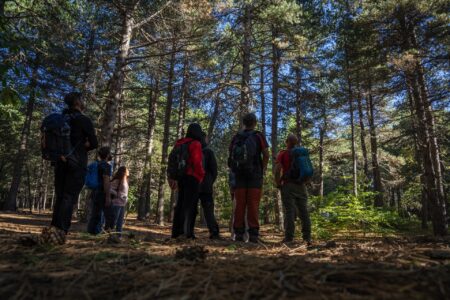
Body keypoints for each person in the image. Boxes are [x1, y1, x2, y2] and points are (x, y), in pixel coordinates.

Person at [45, 92, 98, 244]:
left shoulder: (61, 119)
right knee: (69, 197)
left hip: (59, 162)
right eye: (82, 99)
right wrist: (81, 147)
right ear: (77, 102)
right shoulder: (83, 120)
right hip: (76, 163)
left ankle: (53, 230)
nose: (83, 101)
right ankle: (61, 232)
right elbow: (94, 143)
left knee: (60, 196)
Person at [228, 113, 269, 243]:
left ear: (244, 123)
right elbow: (266, 154)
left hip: (239, 175)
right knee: (253, 205)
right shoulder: (258, 136)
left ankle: (238, 234)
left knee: (239, 205)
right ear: (255, 123)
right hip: (255, 175)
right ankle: (253, 235)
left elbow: (231, 156)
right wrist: (263, 168)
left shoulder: (236, 137)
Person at [168, 123, 205, 239]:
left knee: (180, 205)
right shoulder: (196, 144)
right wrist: (201, 176)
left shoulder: (180, 143)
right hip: (192, 178)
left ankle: (176, 232)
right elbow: (197, 162)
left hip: (181, 178)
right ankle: (187, 233)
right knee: (190, 207)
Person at [274, 134, 311, 245]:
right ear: (296, 142)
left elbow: (277, 169)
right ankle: (307, 238)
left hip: (288, 185)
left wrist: (278, 183)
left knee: (290, 212)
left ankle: (289, 238)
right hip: (301, 185)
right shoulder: (302, 153)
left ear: (286, 141)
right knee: (304, 212)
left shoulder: (283, 153)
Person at [198, 132, 220, 239]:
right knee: (208, 209)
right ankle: (214, 231)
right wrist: (210, 181)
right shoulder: (209, 152)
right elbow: (214, 170)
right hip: (206, 185)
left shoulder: (192, 149)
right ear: (204, 138)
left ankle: (186, 232)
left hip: (193, 184)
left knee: (190, 208)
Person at [87, 146, 112, 235]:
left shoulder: (96, 164)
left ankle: (91, 232)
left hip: (95, 192)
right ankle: (108, 233)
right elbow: (106, 180)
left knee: (95, 213)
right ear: (107, 155)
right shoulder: (106, 166)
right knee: (108, 214)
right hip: (102, 192)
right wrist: (108, 196)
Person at [105, 166, 129, 235]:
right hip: (116, 204)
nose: (128, 171)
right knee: (113, 221)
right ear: (124, 172)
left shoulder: (125, 180)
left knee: (120, 222)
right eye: (127, 170)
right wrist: (119, 195)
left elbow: (124, 192)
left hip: (122, 204)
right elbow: (109, 189)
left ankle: (119, 236)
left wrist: (125, 198)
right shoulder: (117, 180)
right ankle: (108, 235)